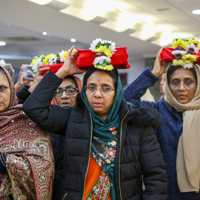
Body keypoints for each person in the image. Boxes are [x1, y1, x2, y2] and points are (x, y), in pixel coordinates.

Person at [23, 39, 167, 200]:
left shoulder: (136, 123)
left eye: (105, 88)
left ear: (117, 92)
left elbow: (156, 179)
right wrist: (63, 71)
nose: (97, 94)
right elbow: (33, 108)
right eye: (91, 87)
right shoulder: (73, 119)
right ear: (84, 91)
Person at [123, 38, 200, 200]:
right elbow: (123, 103)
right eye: (175, 82)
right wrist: (153, 74)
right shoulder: (156, 111)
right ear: (167, 85)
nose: (182, 88)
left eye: (189, 82)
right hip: (166, 194)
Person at [16, 65, 82, 199]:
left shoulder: (86, 120)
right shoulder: (46, 117)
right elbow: (19, 111)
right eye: (58, 90)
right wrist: (35, 85)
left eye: (70, 90)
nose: (64, 96)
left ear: (80, 92)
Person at [0, 66, 54, 199]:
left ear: (12, 90)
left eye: (2, 88)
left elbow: (43, 167)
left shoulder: (27, 121)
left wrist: (4, 160)